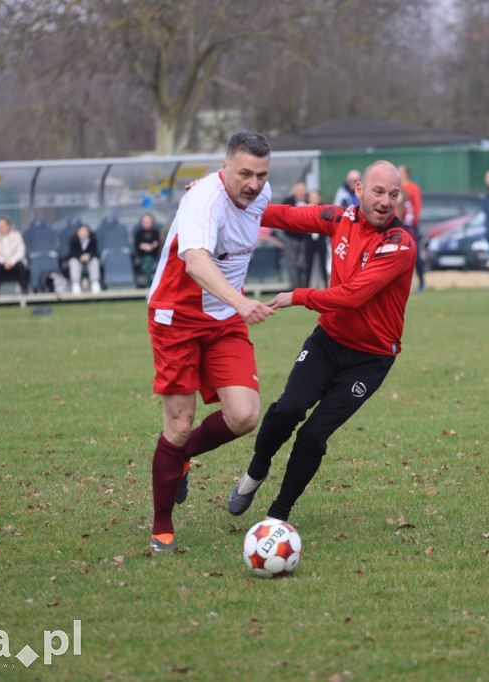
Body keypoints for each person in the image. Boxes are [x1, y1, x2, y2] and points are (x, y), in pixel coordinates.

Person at [226, 160, 417, 525]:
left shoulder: (400, 243)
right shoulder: (339, 217)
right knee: (287, 410)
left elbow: (352, 295)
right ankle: (254, 473)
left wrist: (295, 295)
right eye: (378, 192)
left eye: (393, 194)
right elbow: (284, 216)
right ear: (359, 190)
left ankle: (277, 516)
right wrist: (222, 197)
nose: (385, 201)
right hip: (328, 341)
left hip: (371, 359)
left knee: (313, 435)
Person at [145, 131, 277, 553]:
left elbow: (272, 209)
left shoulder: (259, 190)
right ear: (224, 168)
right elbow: (197, 262)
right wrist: (241, 302)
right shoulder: (204, 199)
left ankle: (182, 457)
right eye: (244, 173)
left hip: (224, 318)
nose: (254, 184)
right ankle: (161, 524)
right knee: (179, 425)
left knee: (244, 416)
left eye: (260, 174)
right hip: (177, 317)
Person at [280, 180, 312, 289]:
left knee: (305, 264)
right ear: (294, 189)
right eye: (298, 189)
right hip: (291, 237)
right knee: (292, 263)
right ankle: (294, 289)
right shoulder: (287, 202)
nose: (300, 191)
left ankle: (304, 288)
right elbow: (282, 218)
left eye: (302, 189)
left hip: (306, 238)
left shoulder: (310, 201)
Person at [398, 165, 426, 292]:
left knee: (415, 254)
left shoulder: (412, 188)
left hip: (411, 226)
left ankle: (421, 281)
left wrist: (413, 222)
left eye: (399, 171)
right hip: (399, 226)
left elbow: (417, 206)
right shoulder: (396, 188)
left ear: (405, 174)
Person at [0, 217, 30, 295]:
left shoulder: (17, 235)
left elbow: (21, 251)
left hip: (14, 264)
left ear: (9, 226)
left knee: (21, 265)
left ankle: (24, 291)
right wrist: (4, 262)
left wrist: (11, 262)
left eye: (2, 226)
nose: (0, 228)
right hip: (0, 264)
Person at [302, 189, 329, 287]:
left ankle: (325, 285)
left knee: (323, 264)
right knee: (308, 264)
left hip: (321, 239)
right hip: (309, 239)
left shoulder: (324, 209)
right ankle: (306, 286)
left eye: (315, 197)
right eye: (312, 197)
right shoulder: (305, 209)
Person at [67, 223, 102, 294]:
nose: (83, 233)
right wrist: (80, 256)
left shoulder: (93, 240)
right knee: (73, 262)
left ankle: (95, 283)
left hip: (89, 260)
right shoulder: (73, 240)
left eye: (85, 231)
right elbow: (72, 253)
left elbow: (95, 252)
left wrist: (89, 255)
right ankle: (75, 284)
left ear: (88, 233)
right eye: (81, 231)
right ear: (77, 232)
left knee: (95, 261)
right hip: (77, 259)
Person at [134, 213, 162, 285]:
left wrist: (148, 247)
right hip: (143, 257)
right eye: (144, 221)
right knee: (148, 260)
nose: (146, 223)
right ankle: (148, 282)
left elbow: (157, 246)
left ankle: (161, 282)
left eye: (148, 221)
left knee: (162, 261)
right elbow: (138, 246)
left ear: (152, 222)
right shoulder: (139, 233)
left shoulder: (156, 233)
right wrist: (149, 247)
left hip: (155, 256)